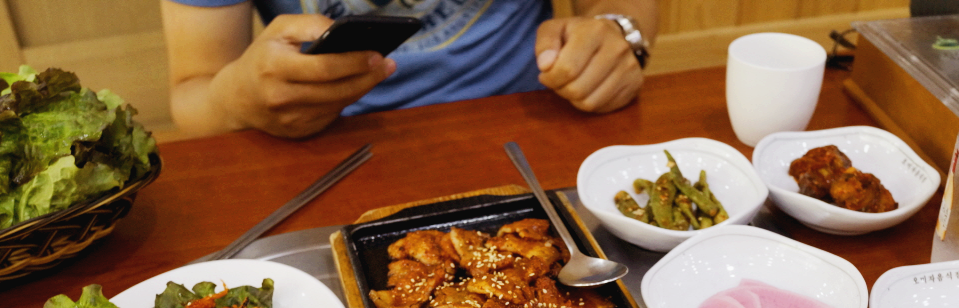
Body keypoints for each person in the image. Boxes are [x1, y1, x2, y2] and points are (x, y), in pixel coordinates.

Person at [160, 1, 658, 139]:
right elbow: (191, 94)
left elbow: (624, 12)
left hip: (533, 126)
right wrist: (235, 97)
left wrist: (619, 34)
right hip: (324, 147)